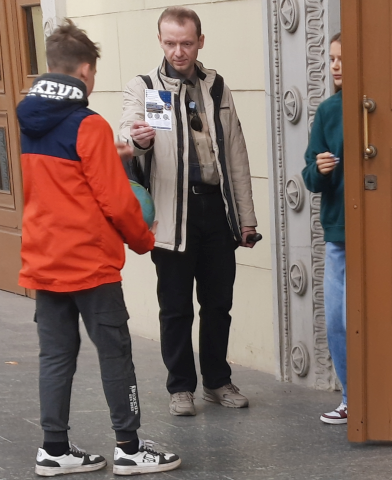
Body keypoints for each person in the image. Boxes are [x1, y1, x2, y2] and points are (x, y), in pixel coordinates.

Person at [17, 19, 181, 476]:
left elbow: (63, 177)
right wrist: (145, 240)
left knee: (55, 357)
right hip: (90, 263)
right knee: (115, 353)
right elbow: (116, 200)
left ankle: (54, 449)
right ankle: (129, 446)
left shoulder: (29, 119)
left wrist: (110, 156)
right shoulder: (87, 124)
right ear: (85, 71)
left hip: (45, 259)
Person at [120, 7, 258, 417]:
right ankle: (180, 387)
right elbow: (127, 131)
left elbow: (236, 153)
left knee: (218, 304)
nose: (178, 51)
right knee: (176, 307)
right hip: (171, 212)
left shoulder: (217, 87)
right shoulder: (146, 87)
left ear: (200, 42)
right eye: (170, 43)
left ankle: (217, 381)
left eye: (185, 43)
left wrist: (246, 218)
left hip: (216, 209)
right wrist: (138, 139)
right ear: (160, 42)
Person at [301, 32, 347, 425]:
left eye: (343, 59)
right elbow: (309, 176)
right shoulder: (329, 111)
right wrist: (320, 169)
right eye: (332, 58)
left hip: (378, 234)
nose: (335, 65)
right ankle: (352, 397)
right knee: (338, 321)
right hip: (340, 235)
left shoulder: (376, 109)